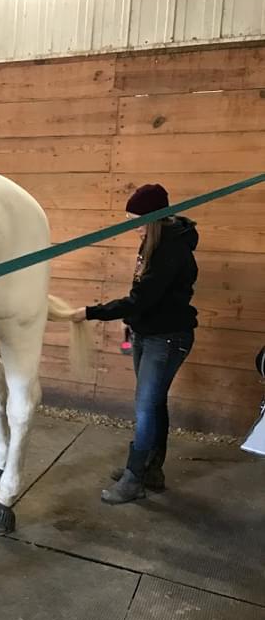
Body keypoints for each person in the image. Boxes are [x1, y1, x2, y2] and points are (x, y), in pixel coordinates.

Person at [70, 184, 198, 504]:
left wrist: (91, 312)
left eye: (136, 221)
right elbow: (143, 298)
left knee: (144, 408)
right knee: (153, 404)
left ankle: (133, 478)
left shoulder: (170, 249)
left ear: (154, 218)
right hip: (148, 334)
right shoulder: (151, 243)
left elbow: (141, 298)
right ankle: (150, 470)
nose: (133, 228)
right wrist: (133, 329)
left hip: (167, 338)